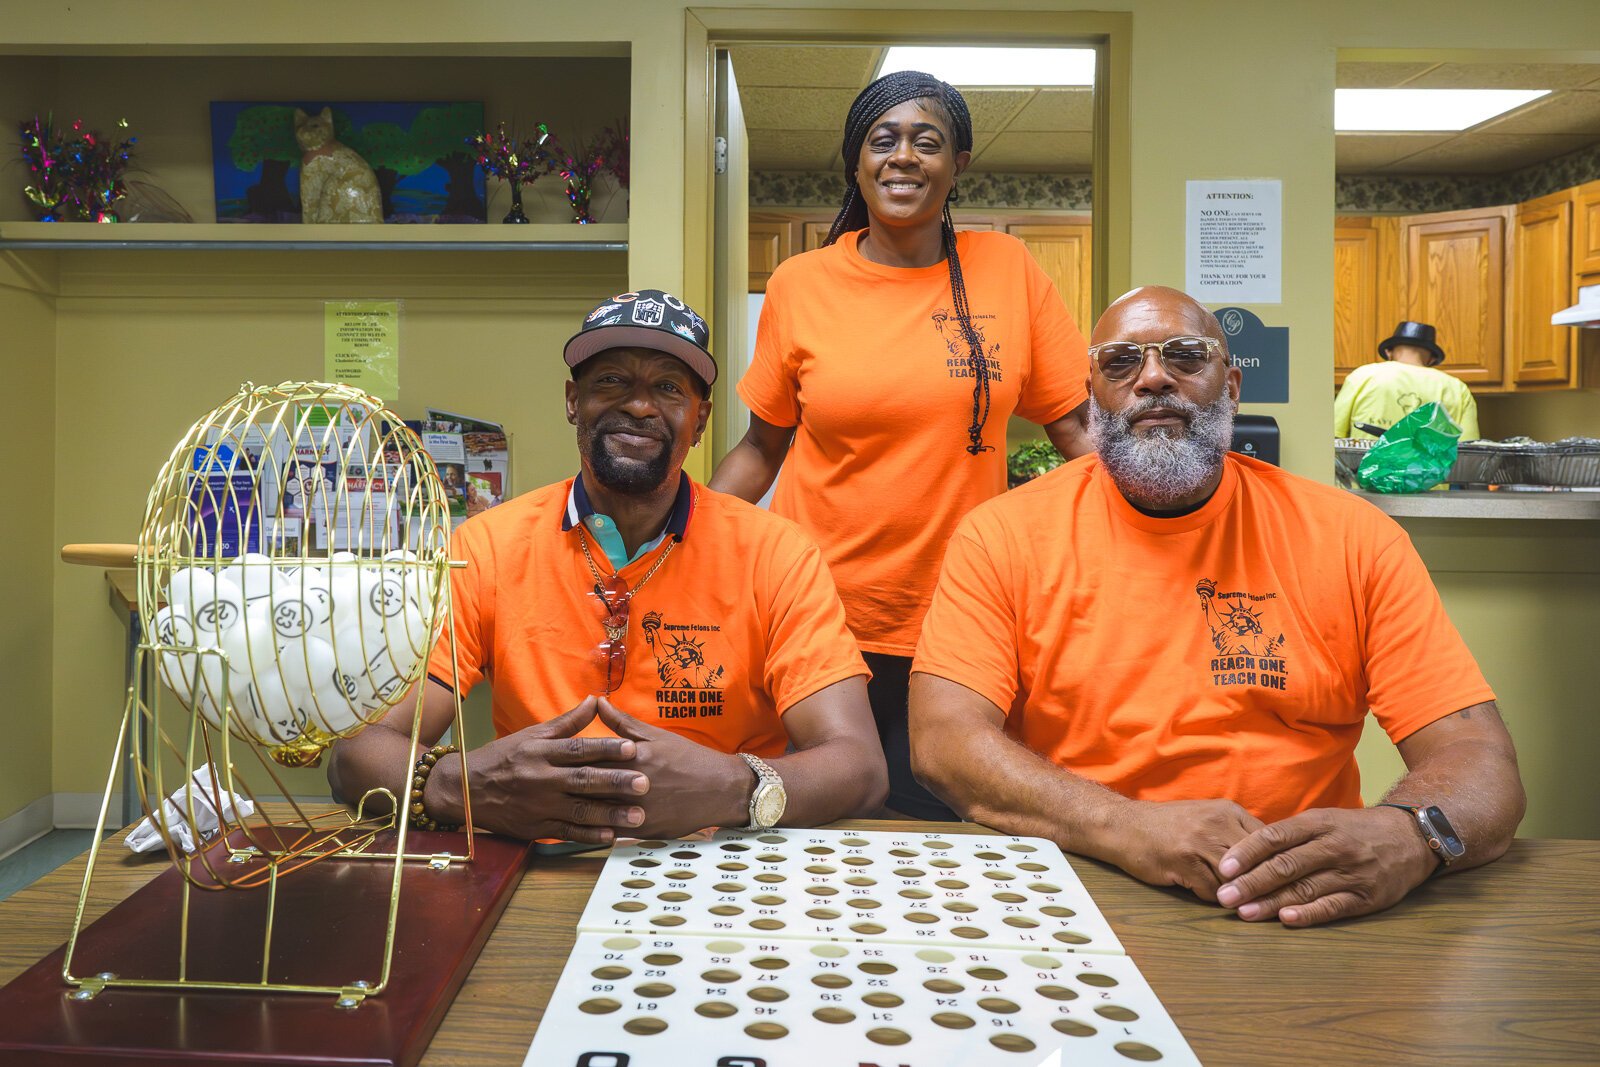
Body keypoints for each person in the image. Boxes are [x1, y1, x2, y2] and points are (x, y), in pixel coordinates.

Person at [909, 285, 1525, 927]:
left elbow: (1479, 758)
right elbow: (943, 740)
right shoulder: (1003, 535)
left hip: (1309, 901)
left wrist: (1411, 836)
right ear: (1092, 397)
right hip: (1076, 887)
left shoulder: (1353, 539)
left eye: (1184, 356)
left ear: (1231, 387)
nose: (1152, 378)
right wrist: (1127, 828)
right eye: (1121, 363)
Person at [329, 289, 888, 843]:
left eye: (668, 388)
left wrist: (727, 786)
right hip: (533, 866)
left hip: (719, 869)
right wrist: (469, 783)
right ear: (574, 400)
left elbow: (859, 768)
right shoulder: (488, 547)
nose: (639, 405)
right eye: (611, 381)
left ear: (700, 419)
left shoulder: (776, 553)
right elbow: (356, 755)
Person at [710, 70, 1093, 820]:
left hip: (962, 616)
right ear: (857, 162)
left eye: (928, 141)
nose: (904, 157)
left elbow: (1077, 428)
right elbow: (761, 447)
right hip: (817, 615)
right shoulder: (801, 283)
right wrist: (675, 532)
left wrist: (1161, 520)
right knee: (815, 827)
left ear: (960, 164)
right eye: (883, 141)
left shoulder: (1008, 270)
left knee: (947, 828)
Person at [1334, 321, 1479, 439]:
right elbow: (1469, 450)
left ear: (1388, 352)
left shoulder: (1363, 375)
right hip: (1429, 475)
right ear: (1431, 359)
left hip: (1362, 472)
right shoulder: (1457, 388)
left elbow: (1333, 433)